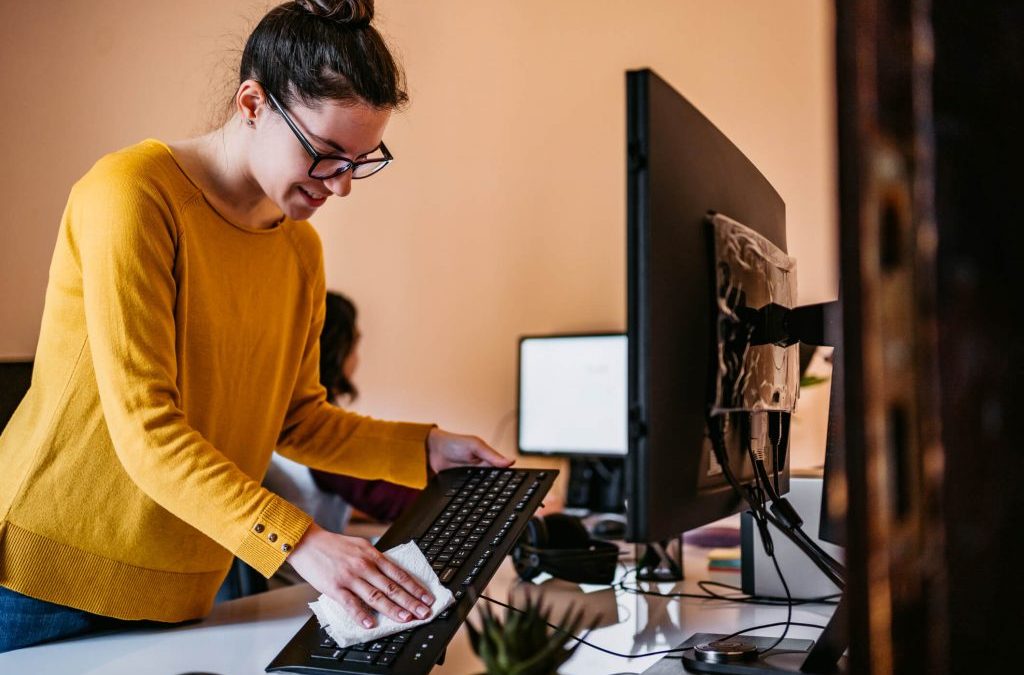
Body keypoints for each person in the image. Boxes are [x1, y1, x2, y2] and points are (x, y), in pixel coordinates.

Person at [0, 0, 511, 653]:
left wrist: (427, 448)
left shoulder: (299, 250)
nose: (342, 185)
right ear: (251, 104)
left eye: (360, 161)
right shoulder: (133, 195)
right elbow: (148, 431)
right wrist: (302, 542)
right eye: (327, 154)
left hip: (184, 584)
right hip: (45, 579)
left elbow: (297, 419)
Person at [307, 291, 422, 524]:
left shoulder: (275, 417)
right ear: (336, 351)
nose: (356, 359)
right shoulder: (316, 431)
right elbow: (390, 500)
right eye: (354, 346)